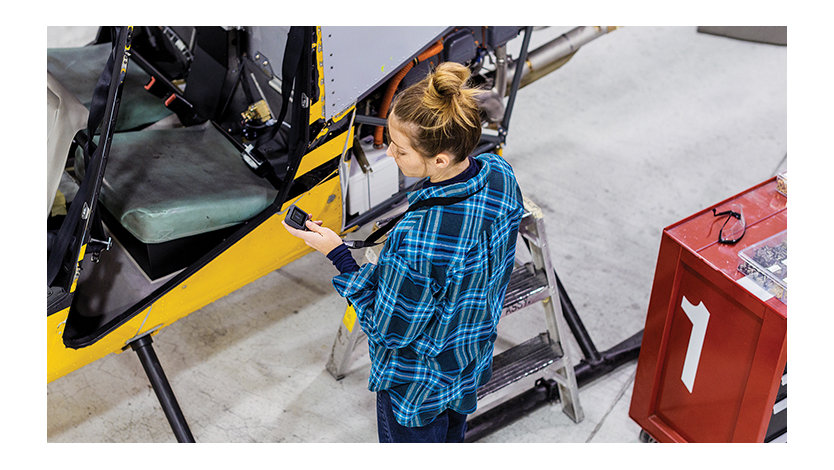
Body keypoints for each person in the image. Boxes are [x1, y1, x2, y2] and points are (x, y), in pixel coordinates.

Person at [282, 61, 524, 443]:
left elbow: (388, 328)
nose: (391, 153)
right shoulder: (499, 173)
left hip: (418, 388)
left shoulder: (417, 240)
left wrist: (337, 254)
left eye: (401, 149)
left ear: (440, 159)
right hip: (467, 361)